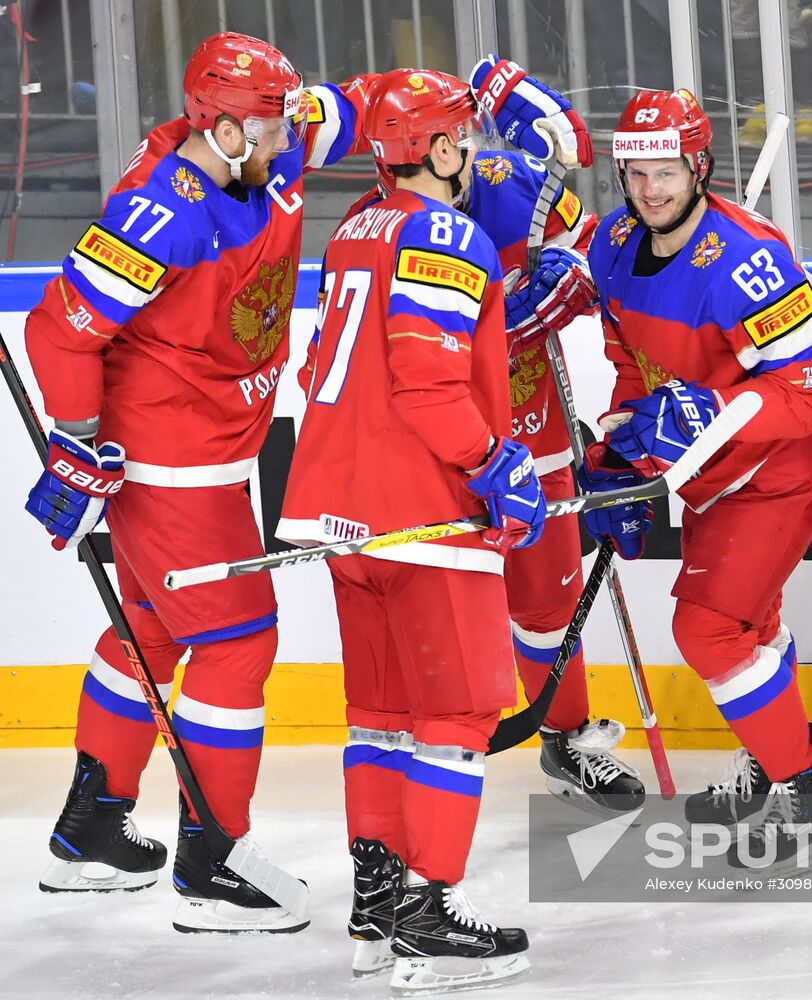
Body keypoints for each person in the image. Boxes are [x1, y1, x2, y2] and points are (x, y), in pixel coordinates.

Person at [21, 31, 590, 933]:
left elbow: (367, 103)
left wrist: (478, 91)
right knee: (239, 643)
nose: (294, 141)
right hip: (170, 459)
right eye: (272, 127)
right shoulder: (155, 211)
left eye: (290, 123)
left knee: (151, 628)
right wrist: (80, 437)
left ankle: (92, 824)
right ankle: (211, 863)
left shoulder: (270, 147)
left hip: (215, 450)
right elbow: (58, 330)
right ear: (220, 126)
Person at [276, 68, 541, 992]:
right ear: (433, 148)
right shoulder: (447, 235)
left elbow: (321, 366)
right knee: (457, 711)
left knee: (380, 716)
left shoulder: (353, 228)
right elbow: (428, 384)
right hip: (422, 510)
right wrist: (493, 465)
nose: (468, 151)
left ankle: (377, 911)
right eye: (459, 137)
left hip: (339, 509)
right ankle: (429, 912)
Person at [298, 122, 646, 824]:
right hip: (434, 464)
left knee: (547, 607)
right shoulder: (373, 224)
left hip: (527, 433)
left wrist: (568, 280)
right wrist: (498, 329)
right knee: (433, 644)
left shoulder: (510, 183)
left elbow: (591, 249)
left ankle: (566, 737)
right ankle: (430, 780)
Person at [583, 88, 812, 873]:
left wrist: (705, 411)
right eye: (635, 173)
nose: (649, 189)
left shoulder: (749, 259)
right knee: (749, 626)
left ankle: (806, 788)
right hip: (709, 473)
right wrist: (623, 451)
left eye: (666, 171)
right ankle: (774, 759)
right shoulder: (612, 244)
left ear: (698, 166)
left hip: (780, 468)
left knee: (705, 629)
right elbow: (628, 357)